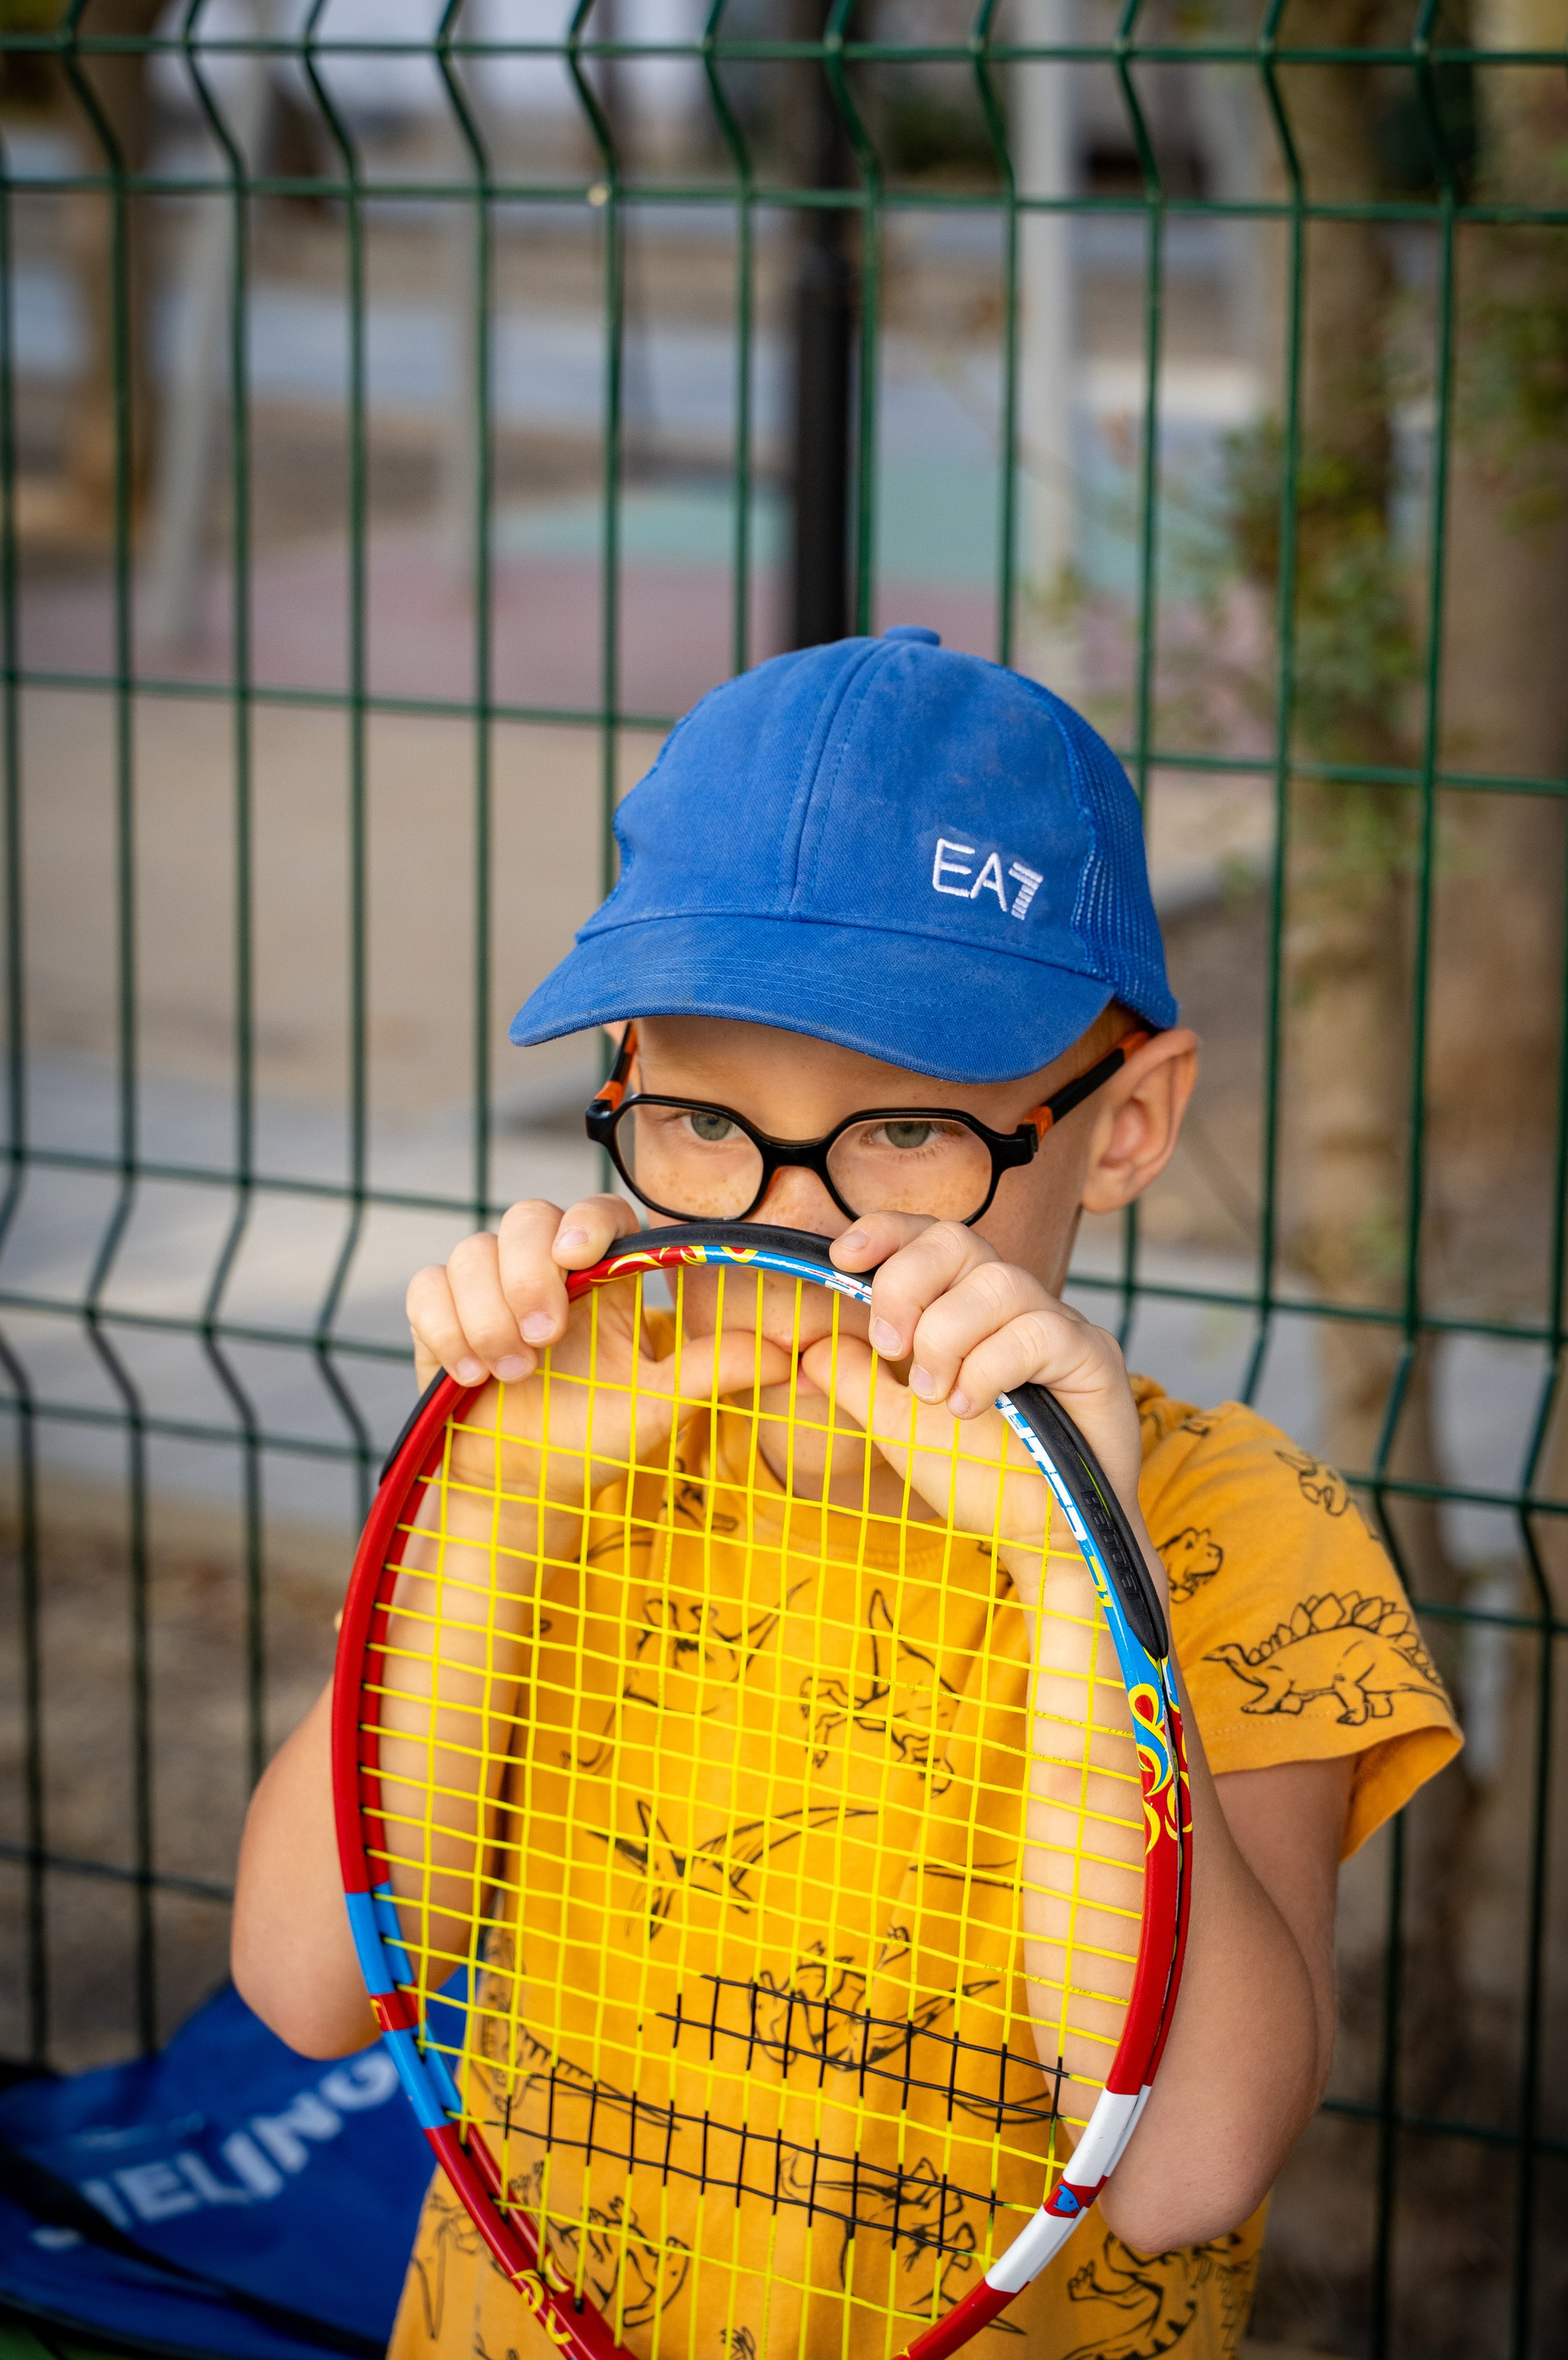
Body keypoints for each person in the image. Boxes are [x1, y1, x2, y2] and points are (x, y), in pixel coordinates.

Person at [232, 628, 1462, 2360]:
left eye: (899, 1132)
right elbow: (304, 1986)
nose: (782, 1219)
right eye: (698, 1119)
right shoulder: (561, 1459)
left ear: (1122, 1122)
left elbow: (1183, 2165)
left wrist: (1069, 1569)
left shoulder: (1247, 1535)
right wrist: (489, 1509)